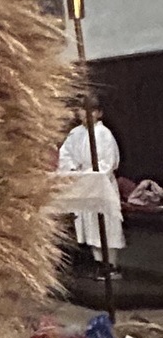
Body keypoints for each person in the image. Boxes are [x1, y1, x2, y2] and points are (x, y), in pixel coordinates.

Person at [58, 107, 125, 276]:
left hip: (101, 184)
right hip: (85, 184)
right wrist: (73, 170)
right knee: (90, 226)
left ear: (99, 113)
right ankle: (99, 262)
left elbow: (109, 162)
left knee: (106, 225)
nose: (86, 114)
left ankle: (111, 264)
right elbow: (66, 156)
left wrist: (92, 174)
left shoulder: (104, 134)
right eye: (82, 110)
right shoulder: (75, 133)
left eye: (91, 110)